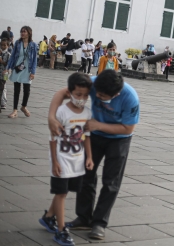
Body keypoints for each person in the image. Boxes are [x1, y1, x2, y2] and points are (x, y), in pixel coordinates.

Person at [48, 70, 140, 240]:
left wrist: (98, 125)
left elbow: (128, 128)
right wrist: (52, 117)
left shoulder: (130, 98)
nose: (96, 96)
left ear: (116, 94)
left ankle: (99, 223)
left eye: (102, 96)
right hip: (95, 135)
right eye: (96, 93)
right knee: (86, 175)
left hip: (119, 139)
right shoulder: (93, 82)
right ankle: (84, 217)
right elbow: (62, 92)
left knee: (111, 182)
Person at [39, 73, 94, 246]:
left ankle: (48, 217)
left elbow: (87, 136)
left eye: (85, 96)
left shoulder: (87, 112)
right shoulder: (62, 112)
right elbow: (52, 139)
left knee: (64, 192)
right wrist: (54, 161)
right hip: (61, 159)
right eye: (78, 95)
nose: (82, 99)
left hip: (77, 161)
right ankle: (61, 231)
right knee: (61, 193)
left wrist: (89, 157)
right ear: (69, 92)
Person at [6, 26, 37, 119]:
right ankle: (15, 110)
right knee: (16, 89)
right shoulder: (17, 43)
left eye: (24, 32)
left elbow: (35, 59)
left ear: (29, 33)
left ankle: (23, 106)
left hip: (27, 68)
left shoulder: (33, 45)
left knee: (27, 90)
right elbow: (12, 57)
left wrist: (33, 72)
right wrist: (8, 67)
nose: (22, 33)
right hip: (17, 68)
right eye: (21, 31)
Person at [0, 39, 10, 113]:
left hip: (4, 74)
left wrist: (2, 61)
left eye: (4, 45)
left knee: (3, 88)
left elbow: (9, 65)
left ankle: (3, 103)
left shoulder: (8, 54)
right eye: (2, 45)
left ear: (7, 46)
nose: (3, 47)